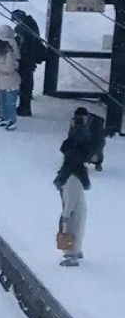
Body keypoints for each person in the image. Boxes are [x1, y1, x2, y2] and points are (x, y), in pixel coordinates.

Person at [55, 108, 94, 265]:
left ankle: (72, 252)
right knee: (79, 217)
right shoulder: (85, 135)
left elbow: (70, 200)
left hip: (72, 179)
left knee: (71, 219)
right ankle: (76, 250)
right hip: (77, 177)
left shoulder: (71, 173)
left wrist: (65, 213)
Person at [12, 9, 45, 117]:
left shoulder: (26, 27)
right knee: (27, 81)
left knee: (25, 83)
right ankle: (26, 103)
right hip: (29, 58)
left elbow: (26, 43)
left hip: (26, 59)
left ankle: (25, 107)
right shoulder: (31, 24)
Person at [0, 24, 21, 129]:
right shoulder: (1, 47)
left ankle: (12, 121)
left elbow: (10, 68)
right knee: (2, 99)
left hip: (10, 81)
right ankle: (4, 118)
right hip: (2, 80)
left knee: (10, 102)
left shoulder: (9, 54)